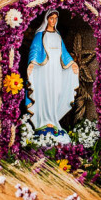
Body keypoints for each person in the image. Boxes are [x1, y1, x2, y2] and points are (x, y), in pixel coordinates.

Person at [25, 10, 79, 142]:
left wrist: (72, 63)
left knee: (56, 93)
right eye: (51, 18)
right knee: (44, 93)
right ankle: (43, 123)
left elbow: (64, 53)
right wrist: (32, 62)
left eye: (55, 18)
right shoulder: (40, 35)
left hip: (56, 71)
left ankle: (53, 121)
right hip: (43, 71)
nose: (53, 21)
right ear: (46, 20)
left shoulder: (58, 35)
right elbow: (35, 50)